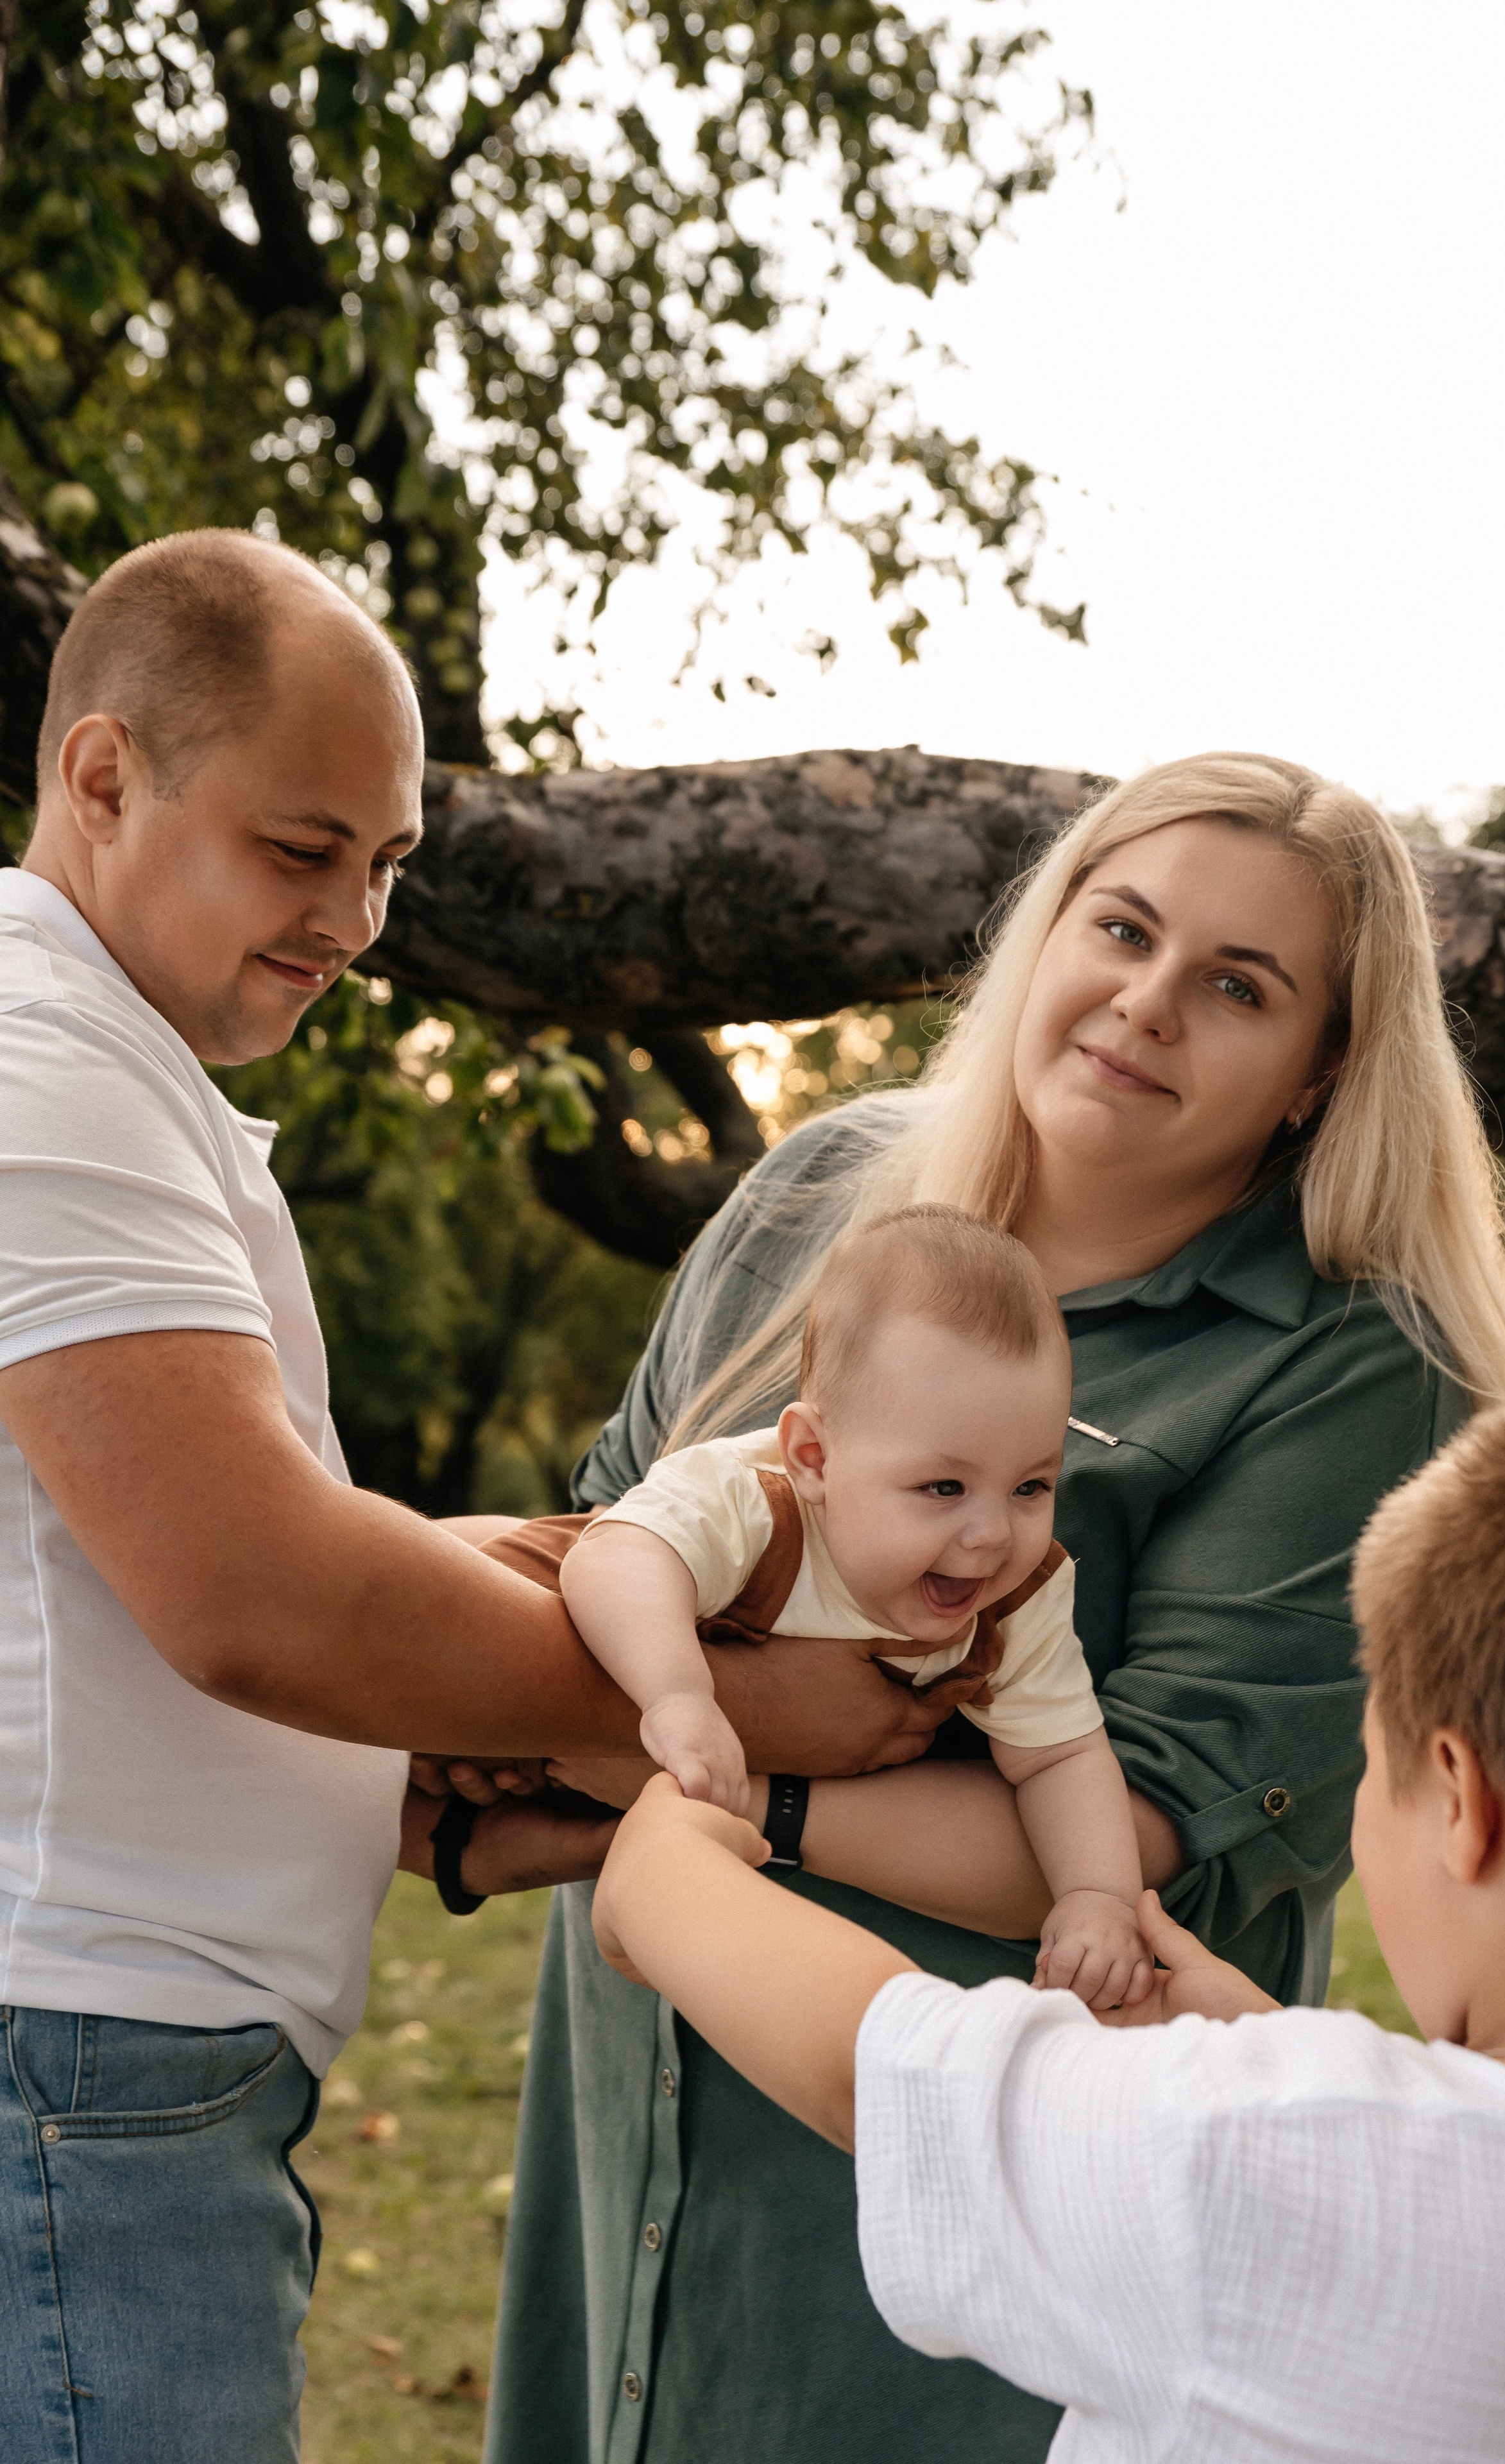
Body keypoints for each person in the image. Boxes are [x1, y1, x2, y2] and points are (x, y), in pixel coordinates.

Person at [0, 529, 942, 2464]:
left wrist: (448, 1748)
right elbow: (257, 1593)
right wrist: (720, 1708)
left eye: (390, 863)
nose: (356, 917)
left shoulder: (112, 1061)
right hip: (82, 2079)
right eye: (304, 847)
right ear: (102, 776)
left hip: (116, 2070)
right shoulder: (45, 1062)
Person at [477, 751, 1505, 2464]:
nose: (1146, 1000)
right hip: (636, 2105)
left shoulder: (1359, 1367)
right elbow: (589, 1544)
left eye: (1238, 986)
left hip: (965, 2220)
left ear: (1321, 1073)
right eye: (1120, 927)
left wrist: (720, 1790)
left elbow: (1153, 1823)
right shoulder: (815, 1193)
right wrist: (598, 1755)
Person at [588, 1361, 1505, 2463]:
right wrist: (1266, 2048)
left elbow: (881, 2073)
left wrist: (664, 1867)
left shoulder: (1265, 2159)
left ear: (1462, 1802)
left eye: (1378, 1771)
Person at [561, 1207, 1150, 2008]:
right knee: (474, 1570)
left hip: (596, 1779)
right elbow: (608, 1560)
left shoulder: (1018, 1597)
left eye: (1030, 1487)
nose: (990, 1535)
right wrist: (680, 1696)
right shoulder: (747, 1501)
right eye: (943, 1487)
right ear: (814, 1458)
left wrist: (1097, 1898)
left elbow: (1060, 1755)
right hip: (559, 1621)